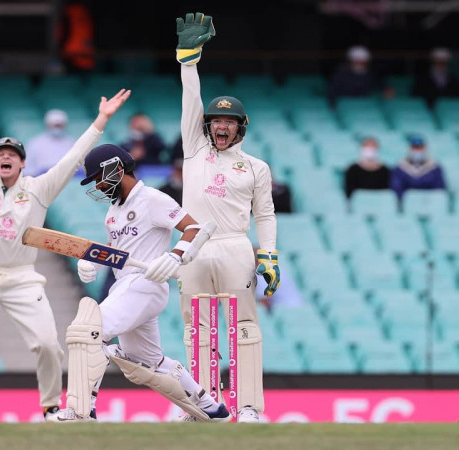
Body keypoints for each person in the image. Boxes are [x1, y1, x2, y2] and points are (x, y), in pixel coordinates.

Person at [0, 89, 132, 424]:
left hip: (22, 278)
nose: (5, 158)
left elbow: (73, 157)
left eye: (12, 154)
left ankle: (52, 406)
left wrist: (102, 120)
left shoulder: (39, 189)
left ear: (23, 162)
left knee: (47, 345)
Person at [52, 144, 229, 423]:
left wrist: (175, 256)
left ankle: (82, 409)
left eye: (99, 177)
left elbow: (194, 228)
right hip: (127, 286)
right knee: (148, 362)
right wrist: (93, 260)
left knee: (89, 331)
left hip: (146, 283)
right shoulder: (113, 212)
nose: (98, 185)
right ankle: (211, 408)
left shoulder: (151, 198)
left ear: (116, 168)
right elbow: (116, 248)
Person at [174, 12, 278, 423]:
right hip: (193, 245)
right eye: (216, 120)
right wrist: (189, 61)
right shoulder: (193, 150)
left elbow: (265, 214)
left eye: (229, 122)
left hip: (236, 245)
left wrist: (268, 253)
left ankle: (249, 406)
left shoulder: (255, 167)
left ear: (240, 129)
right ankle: (202, 407)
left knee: (245, 326)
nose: (221, 126)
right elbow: (190, 98)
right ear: (207, 125)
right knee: (196, 330)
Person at [327, 45, 393, 105]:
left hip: (365, 103)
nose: (359, 63)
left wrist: (387, 90)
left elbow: (380, 85)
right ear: (350, 61)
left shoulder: (370, 74)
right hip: (345, 103)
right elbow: (332, 91)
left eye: (362, 61)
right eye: (356, 61)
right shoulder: (340, 75)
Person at [390, 134, 447, 200]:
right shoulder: (400, 167)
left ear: (425, 148)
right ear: (409, 148)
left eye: (420, 147)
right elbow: (397, 189)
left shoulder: (434, 167)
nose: (417, 150)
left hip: (429, 203)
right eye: (414, 147)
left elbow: (439, 189)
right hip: (406, 205)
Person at [24, 109, 78, 176]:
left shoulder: (71, 142)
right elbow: (27, 169)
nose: (57, 129)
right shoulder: (35, 143)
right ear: (47, 124)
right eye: (55, 125)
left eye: (59, 126)